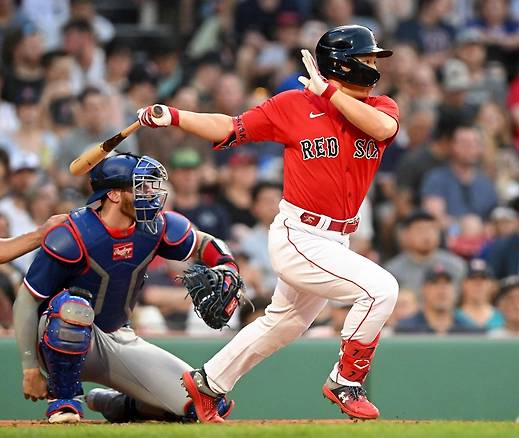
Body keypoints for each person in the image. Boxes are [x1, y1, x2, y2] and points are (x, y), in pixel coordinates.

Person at [137, 25, 400, 421]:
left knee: (286, 323)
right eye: (365, 59)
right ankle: (345, 381)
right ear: (341, 65)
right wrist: (173, 115)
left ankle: (210, 382)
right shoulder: (293, 106)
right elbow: (230, 127)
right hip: (301, 235)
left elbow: (383, 129)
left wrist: (327, 93)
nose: (373, 66)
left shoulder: (381, 107)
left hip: (339, 237)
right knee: (381, 289)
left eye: (372, 59)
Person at [13, 153, 241, 423]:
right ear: (114, 195)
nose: (150, 193)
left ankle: (117, 404)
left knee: (204, 403)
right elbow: (26, 302)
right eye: (140, 186)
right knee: (74, 310)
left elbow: (205, 242)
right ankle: (64, 400)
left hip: (119, 335)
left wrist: (227, 266)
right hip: (58, 335)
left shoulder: (154, 226)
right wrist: (29, 368)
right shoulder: (74, 233)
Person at [385, 210, 466, 297]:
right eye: (420, 230)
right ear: (406, 235)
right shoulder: (393, 271)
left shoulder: (455, 266)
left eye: (431, 229)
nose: (426, 235)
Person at [395, 264, 470, 335]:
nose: (442, 290)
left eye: (446, 284)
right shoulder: (406, 328)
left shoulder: (466, 328)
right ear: (424, 289)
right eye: (435, 284)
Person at [455, 259, 504, 332]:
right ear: (463, 284)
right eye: (473, 279)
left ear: (492, 285)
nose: (478, 284)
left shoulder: (503, 318)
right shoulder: (453, 318)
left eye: (483, 279)